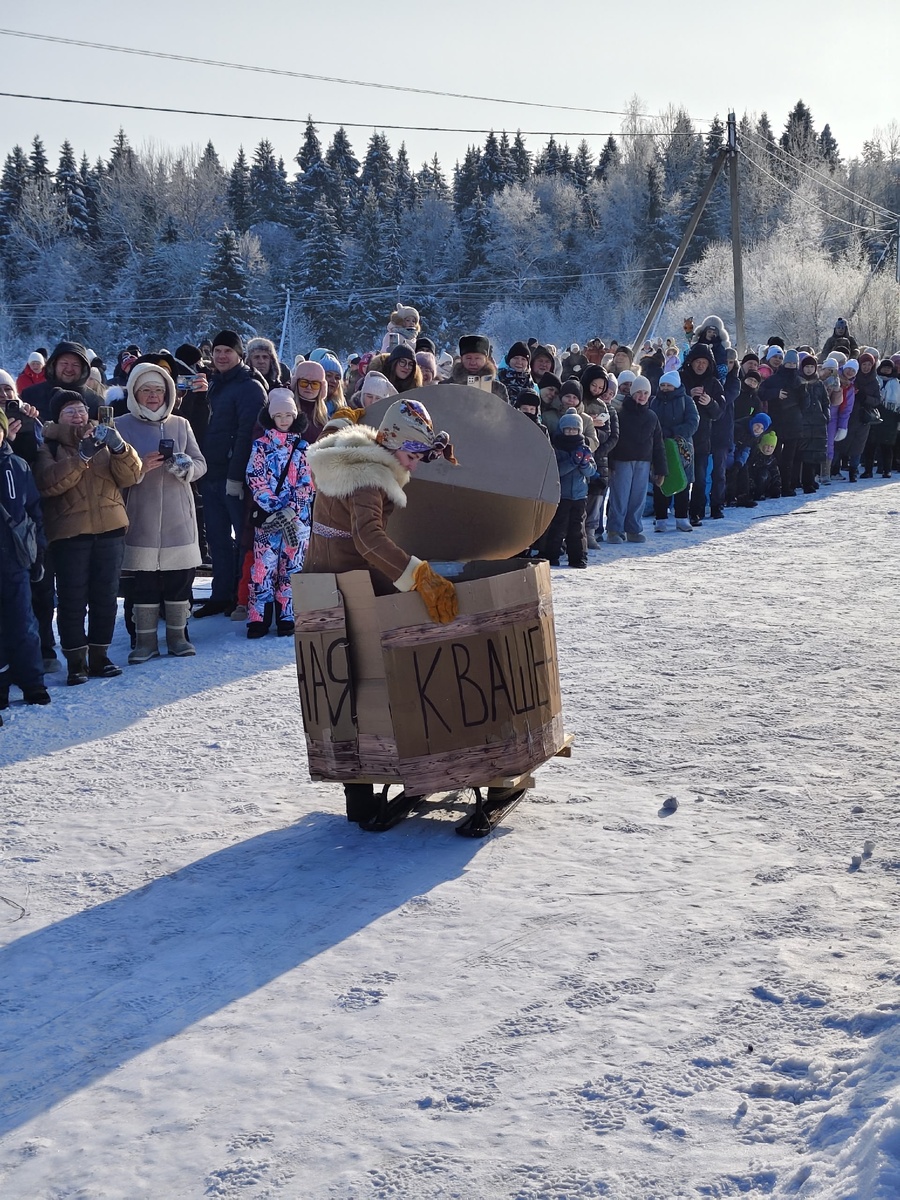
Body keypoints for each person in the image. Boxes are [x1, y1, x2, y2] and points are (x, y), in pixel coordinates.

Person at [303, 397, 459, 824]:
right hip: (346, 583)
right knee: (362, 682)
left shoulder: (352, 448)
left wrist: (340, 415)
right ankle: (363, 794)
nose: (417, 466)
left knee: (347, 683)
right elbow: (368, 539)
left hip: (328, 573)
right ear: (392, 447)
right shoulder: (368, 478)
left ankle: (361, 793)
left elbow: (332, 430)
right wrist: (418, 576)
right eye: (413, 456)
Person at [34, 390, 142, 684]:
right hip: (70, 535)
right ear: (58, 417)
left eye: (81, 410)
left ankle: (100, 657)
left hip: (110, 529)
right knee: (72, 600)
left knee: (106, 599)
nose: (78, 415)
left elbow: (131, 476)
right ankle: (75, 662)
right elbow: (48, 483)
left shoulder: (105, 438)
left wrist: (120, 448)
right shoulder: (49, 445)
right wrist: (81, 456)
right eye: (70, 412)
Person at [114, 363, 208, 664]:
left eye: (158, 390)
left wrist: (185, 467)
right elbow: (110, 472)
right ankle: (144, 642)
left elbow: (200, 463)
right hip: (140, 514)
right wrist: (138, 466)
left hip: (178, 517)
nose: (153, 396)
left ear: (167, 392)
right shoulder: (121, 425)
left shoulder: (181, 424)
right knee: (143, 582)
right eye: (146, 390)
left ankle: (178, 638)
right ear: (134, 393)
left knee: (179, 579)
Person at [193, 330, 267, 618]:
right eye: (218, 351)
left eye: (228, 351)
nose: (222, 356)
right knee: (217, 538)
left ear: (239, 355)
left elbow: (248, 434)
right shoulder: (214, 384)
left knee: (244, 538)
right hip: (210, 474)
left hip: (236, 478)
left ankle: (243, 594)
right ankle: (220, 593)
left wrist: (237, 475)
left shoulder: (249, 387)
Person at [245, 390, 314, 638]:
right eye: (279, 415)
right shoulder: (261, 447)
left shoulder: (303, 447)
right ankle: (258, 617)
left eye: (288, 415)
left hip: (296, 521)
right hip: (269, 520)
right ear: (271, 416)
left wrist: (292, 509)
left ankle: (288, 614)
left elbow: (308, 483)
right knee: (263, 567)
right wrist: (275, 508)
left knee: (292, 566)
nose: (284, 420)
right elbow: (255, 478)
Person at [0, 406, 49, 715]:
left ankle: (33, 682)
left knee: (24, 624)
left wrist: (39, 552)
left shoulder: (17, 466)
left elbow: (34, 512)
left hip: (15, 559)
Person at [605, 376, 667, 544]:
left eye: (645, 392)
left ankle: (633, 529)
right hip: (622, 460)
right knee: (620, 497)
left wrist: (661, 469)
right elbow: (614, 440)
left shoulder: (652, 416)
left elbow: (658, 445)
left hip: (643, 462)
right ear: (632, 393)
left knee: (638, 497)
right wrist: (609, 464)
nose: (642, 396)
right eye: (638, 392)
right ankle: (614, 530)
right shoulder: (621, 415)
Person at [541, 410, 599, 568]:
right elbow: (557, 471)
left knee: (577, 529)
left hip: (579, 495)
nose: (571, 432)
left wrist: (585, 464)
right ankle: (551, 555)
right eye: (568, 429)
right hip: (563, 494)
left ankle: (578, 558)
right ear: (562, 430)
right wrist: (573, 462)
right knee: (558, 526)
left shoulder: (584, 448)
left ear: (580, 431)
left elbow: (592, 471)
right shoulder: (558, 449)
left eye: (574, 429)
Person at [650, 371, 700, 532]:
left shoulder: (687, 401)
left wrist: (673, 432)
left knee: (683, 482)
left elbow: (693, 422)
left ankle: (681, 517)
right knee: (660, 480)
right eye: (663, 385)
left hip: (682, 447)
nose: (665, 388)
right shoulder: (654, 401)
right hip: (660, 447)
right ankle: (661, 518)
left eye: (669, 385)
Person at [681, 347, 724, 524]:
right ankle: (679, 512)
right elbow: (669, 400)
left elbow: (720, 412)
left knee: (699, 479)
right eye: (698, 362)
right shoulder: (681, 378)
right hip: (682, 437)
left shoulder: (714, 383)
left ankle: (696, 512)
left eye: (704, 363)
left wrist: (710, 403)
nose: (700, 366)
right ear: (691, 362)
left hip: (703, 439)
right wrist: (687, 395)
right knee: (681, 477)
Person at [581, 366, 619, 547]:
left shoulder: (603, 406)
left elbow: (609, 433)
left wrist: (595, 429)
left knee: (596, 496)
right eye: (593, 386)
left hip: (598, 458)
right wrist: (588, 422)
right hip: (578, 455)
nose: (596, 390)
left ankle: (590, 532)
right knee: (578, 495)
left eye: (600, 387)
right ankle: (576, 533)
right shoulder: (578, 400)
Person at [760, 349, 804, 495]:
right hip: (777, 423)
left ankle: (787, 486)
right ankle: (775, 487)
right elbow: (761, 392)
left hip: (794, 423)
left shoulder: (800, 380)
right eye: (789, 362)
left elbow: (806, 404)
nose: (791, 366)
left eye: (794, 363)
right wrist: (775, 393)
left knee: (790, 458)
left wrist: (804, 393)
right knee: (775, 456)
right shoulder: (774, 379)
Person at [20, 341, 99, 423]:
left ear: (83, 368)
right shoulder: (30, 395)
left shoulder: (95, 400)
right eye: (64, 363)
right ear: (54, 365)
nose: (69, 369)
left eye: (75, 365)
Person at [797, 356, 830, 493]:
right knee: (805, 455)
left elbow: (825, 401)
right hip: (804, 423)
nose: (809, 369)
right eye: (806, 367)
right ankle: (805, 482)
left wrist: (826, 416)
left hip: (818, 423)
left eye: (812, 367)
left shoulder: (819, 384)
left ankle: (811, 480)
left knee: (815, 454)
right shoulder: (798, 382)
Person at [441, 335, 509, 401]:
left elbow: (505, 411)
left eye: (477, 358)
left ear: (486, 359)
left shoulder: (497, 388)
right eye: (468, 358)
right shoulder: (446, 386)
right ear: (461, 359)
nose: (473, 362)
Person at [864, 360, 900, 478]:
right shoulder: (874, 380)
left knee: (887, 446)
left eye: (889, 368)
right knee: (870, 444)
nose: (886, 370)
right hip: (874, 413)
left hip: (891, 417)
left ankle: (887, 470)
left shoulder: (896, 383)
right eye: (884, 368)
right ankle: (868, 470)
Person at [291, 359, 329, 443]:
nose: (309, 387)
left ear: (321, 388)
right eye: (304, 382)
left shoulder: (324, 418)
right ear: (296, 384)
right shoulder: (285, 410)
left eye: (315, 384)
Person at [749, 431, 782, 500]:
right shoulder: (754, 456)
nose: (769, 449)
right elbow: (750, 473)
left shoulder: (772, 459)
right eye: (767, 446)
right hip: (754, 484)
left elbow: (775, 473)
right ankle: (757, 493)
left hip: (767, 485)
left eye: (771, 447)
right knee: (763, 473)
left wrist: (776, 486)